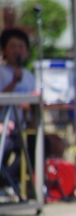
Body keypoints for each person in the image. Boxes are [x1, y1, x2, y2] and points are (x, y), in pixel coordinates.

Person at [0, 27, 36, 199]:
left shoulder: (29, 75)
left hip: (23, 127)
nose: (17, 50)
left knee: (38, 145)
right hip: (4, 126)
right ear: (4, 50)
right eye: (12, 46)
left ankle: (13, 181)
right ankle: (6, 182)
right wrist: (14, 81)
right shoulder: (2, 73)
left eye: (21, 46)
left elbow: (35, 101)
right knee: (4, 145)